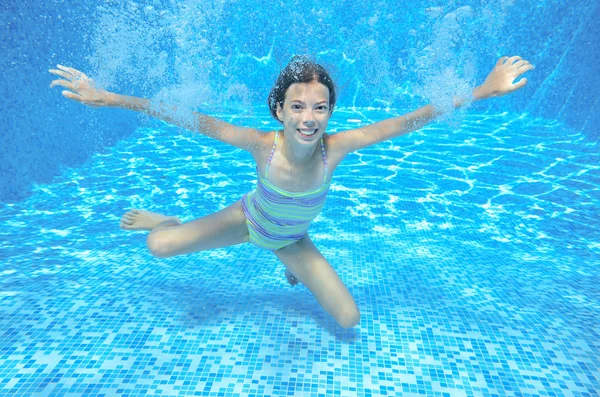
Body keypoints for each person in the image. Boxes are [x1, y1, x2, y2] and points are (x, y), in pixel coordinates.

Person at [49, 55, 533, 328]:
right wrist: (111, 97)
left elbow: (408, 122)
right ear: (279, 110)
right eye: (297, 106)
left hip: (291, 239)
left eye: (320, 108)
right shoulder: (262, 145)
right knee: (157, 247)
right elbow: (187, 119)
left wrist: (480, 92)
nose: (309, 117)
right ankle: (166, 219)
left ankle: (290, 264)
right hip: (248, 221)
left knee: (348, 320)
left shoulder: (336, 149)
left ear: (329, 113)